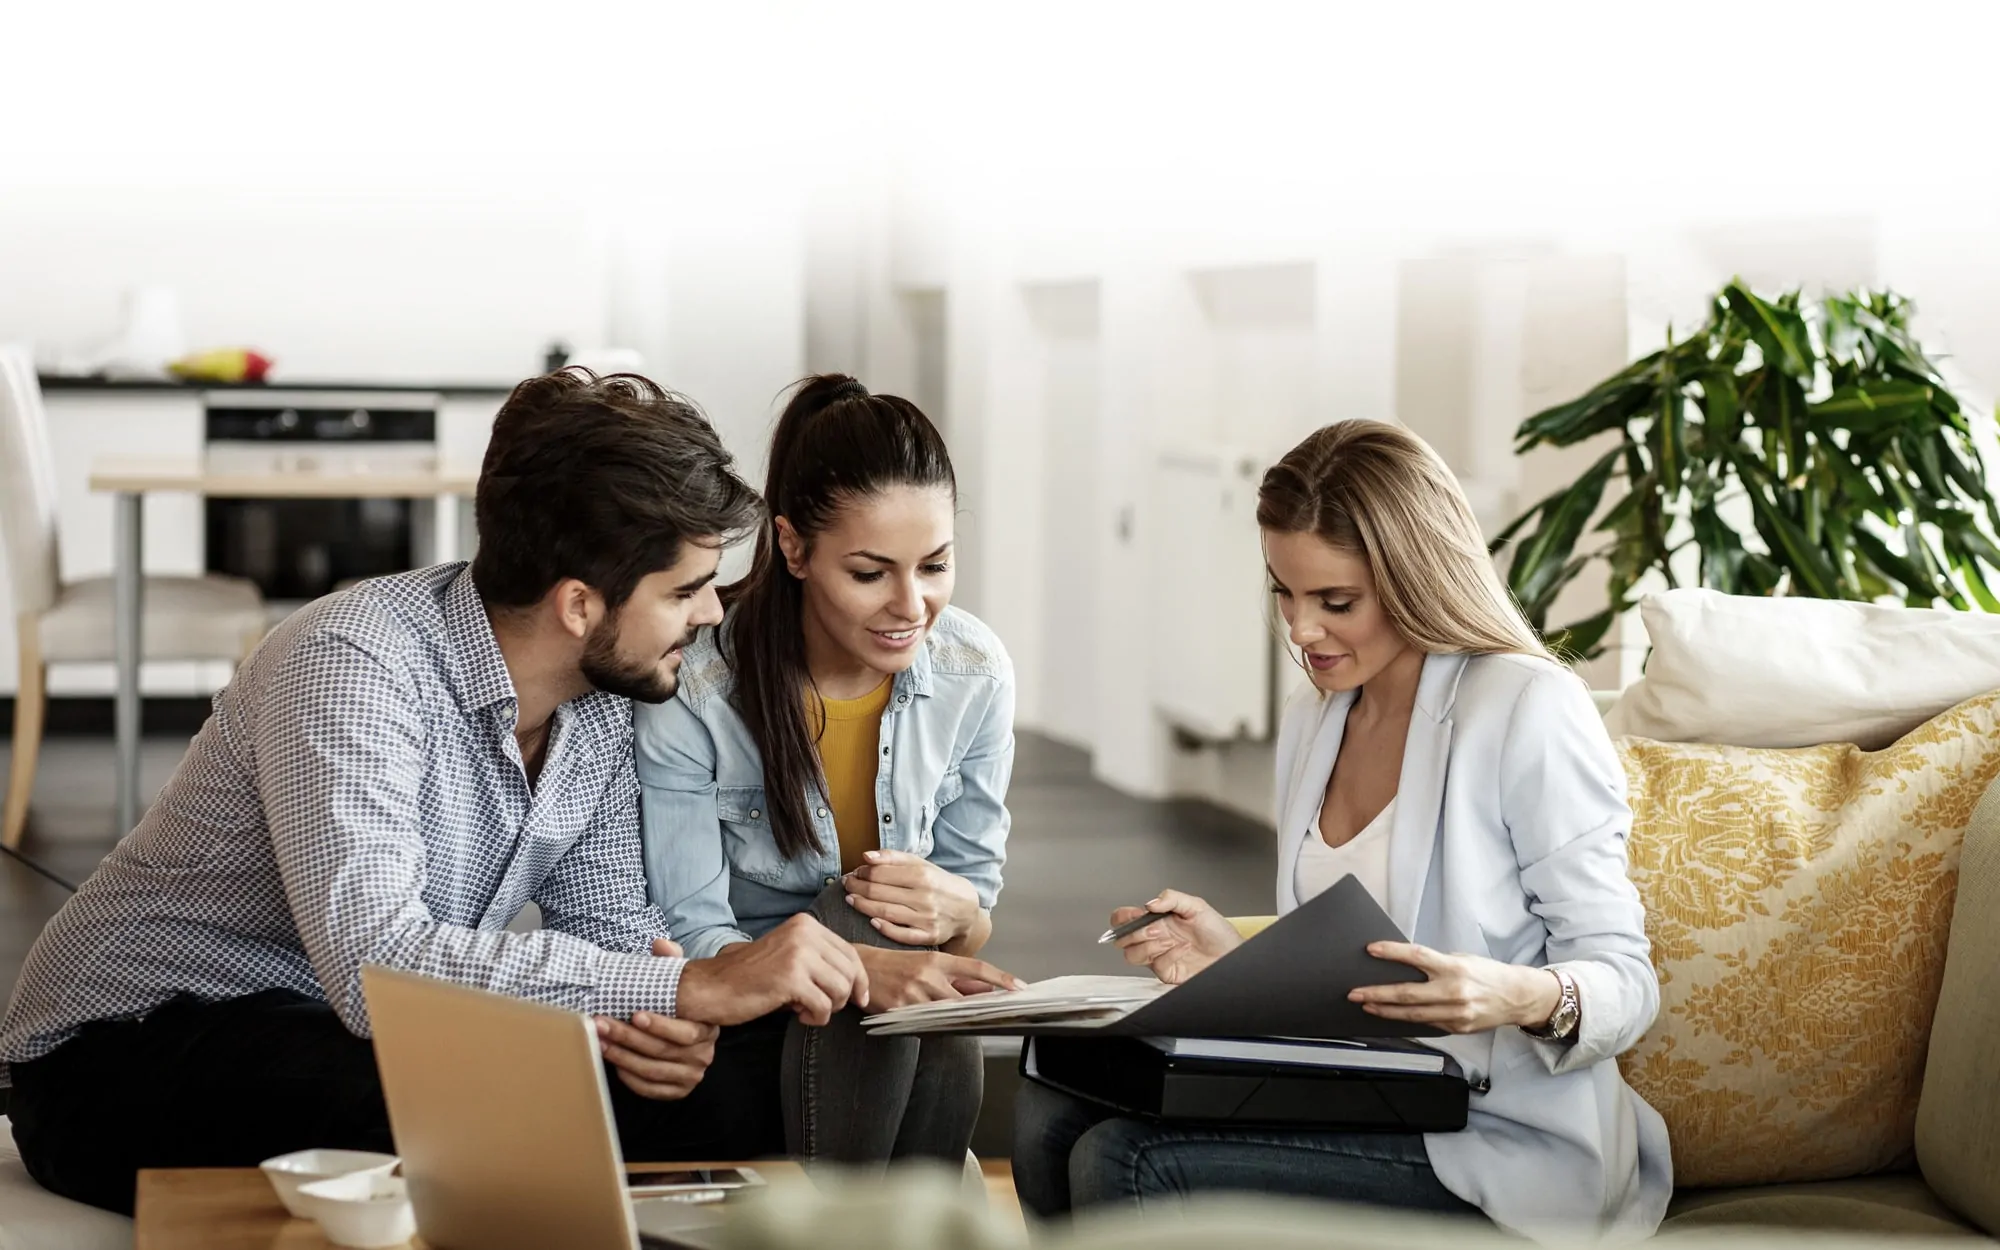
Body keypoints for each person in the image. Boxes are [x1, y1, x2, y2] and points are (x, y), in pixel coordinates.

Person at [0, 370, 873, 1216]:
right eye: (685, 590)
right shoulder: (352, 662)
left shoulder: (606, 701)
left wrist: (657, 1022)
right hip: (123, 1047)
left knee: (745, 1083)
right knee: (462, 1102)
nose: (713, 613)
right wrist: (687, 992)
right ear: (578, 605)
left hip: (350, 1030)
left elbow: (608, 934)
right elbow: (373, 965)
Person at [1013, 419, 1671, 1243]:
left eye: (1336, 602)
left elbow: (1626, 981)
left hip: (1498, 1138)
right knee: (1047, 1110)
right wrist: (1233, 955)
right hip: (1363, 1093)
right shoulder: (1317, 717)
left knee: (1128, 1160)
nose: (1299, 630)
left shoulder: (1525, 708)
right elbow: (1353, 954)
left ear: (1416, 577)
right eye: (1283, 592)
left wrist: (1516, 994)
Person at [635, 374, 1019, 1167]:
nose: (912, 605)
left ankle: (877, 1222)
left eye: (936, 566)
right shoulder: (699, 688)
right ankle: (906, 1215)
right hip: (753, 1009)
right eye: (871, 573)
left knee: (903, 938)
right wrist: (860, 965)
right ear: (793, 547)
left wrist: (956, 911)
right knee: (854, 915)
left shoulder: (974, 671)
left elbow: (970, 920)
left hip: (895, 1018)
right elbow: (691, 932)